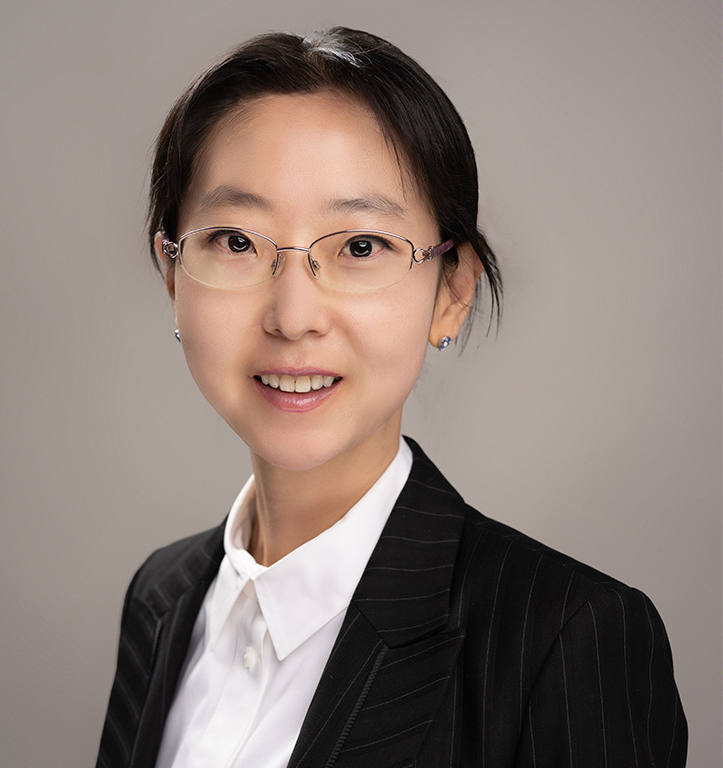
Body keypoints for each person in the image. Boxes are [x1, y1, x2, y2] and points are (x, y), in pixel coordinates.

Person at [96, 27, 686, 768]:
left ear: (453, 292)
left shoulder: (565, 637)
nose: (293, 316)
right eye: (238, 242)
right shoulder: (162, 600)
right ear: (173, 276)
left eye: (361, 247)